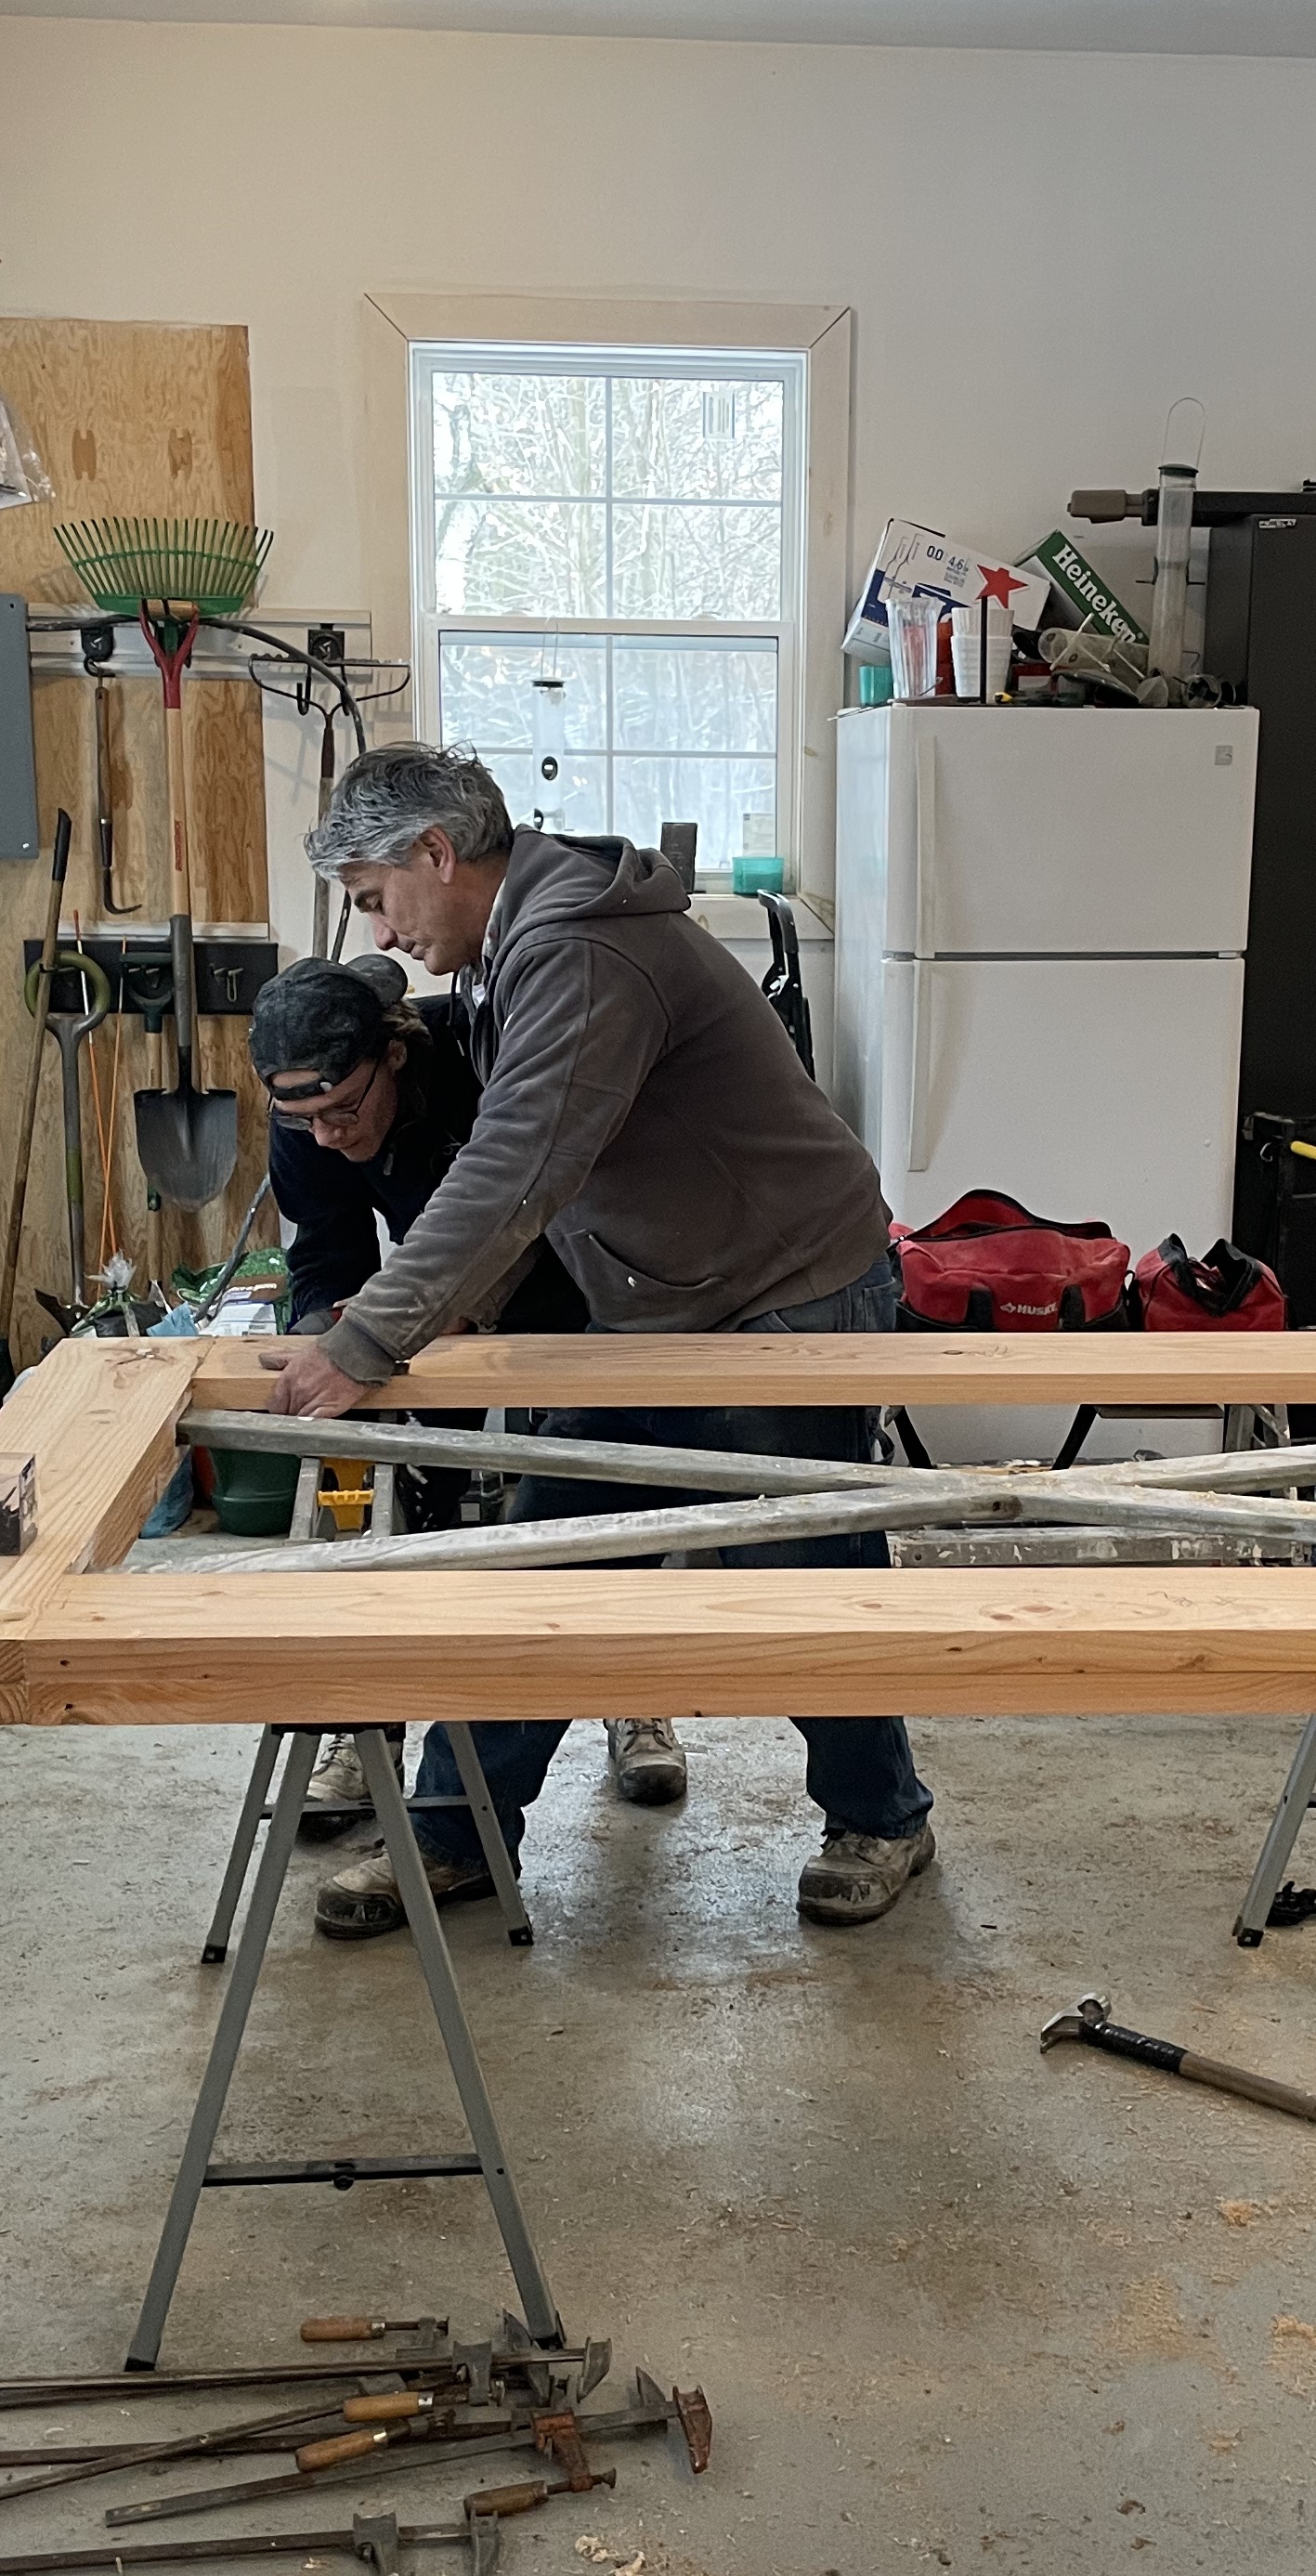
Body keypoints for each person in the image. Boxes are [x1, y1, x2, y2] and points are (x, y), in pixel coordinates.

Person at [260, 744, 935, 1941]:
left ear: (435, 853)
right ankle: (456, 1837)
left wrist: (365, 1341)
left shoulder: (575, 948)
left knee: (795, 1571)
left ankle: (882, 1819)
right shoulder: (512, 946)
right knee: (546, 1560)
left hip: (785, 1286)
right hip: (665, 1296)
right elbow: (538, 1178)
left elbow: (519, 1163)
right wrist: (444, 1311)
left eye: (374, 897)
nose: (381, 931)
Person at [248, 954, 686, 1817]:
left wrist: (462, 1306)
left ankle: (632, 1693)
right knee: (386, 1502)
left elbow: (540, 1203)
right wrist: (324, 1333)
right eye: (304, 1120)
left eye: (343, 1110)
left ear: (393, 1055)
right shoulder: (307, 1120)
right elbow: (327, 1245)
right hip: (426, 1308)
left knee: (602, 1500)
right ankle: (366, 1732)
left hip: (567, 1285)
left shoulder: (482, 1060)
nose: (326, 1135)